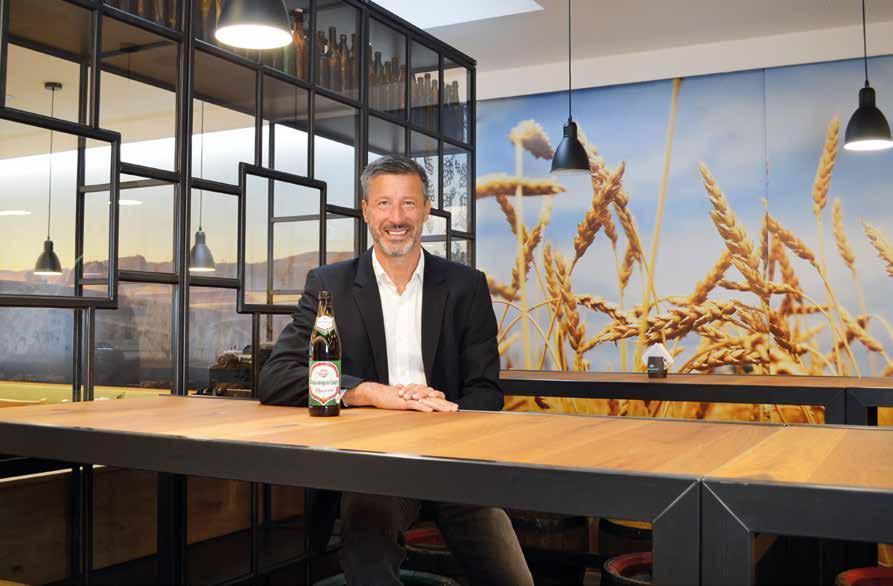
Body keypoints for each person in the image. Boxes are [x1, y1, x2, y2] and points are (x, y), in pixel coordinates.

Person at [258, 155, 533, 586]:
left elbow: (485, 390)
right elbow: (277, 376)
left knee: (512, 579)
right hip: (372, 467)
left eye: (409, 203)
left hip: (453, 461)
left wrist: (442, 419)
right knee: (368, 554)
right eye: (384, 203)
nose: (397, 217)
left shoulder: (467, 286)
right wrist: (366, 392)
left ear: (426, 210)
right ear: (366, 211)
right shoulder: (329, 285)